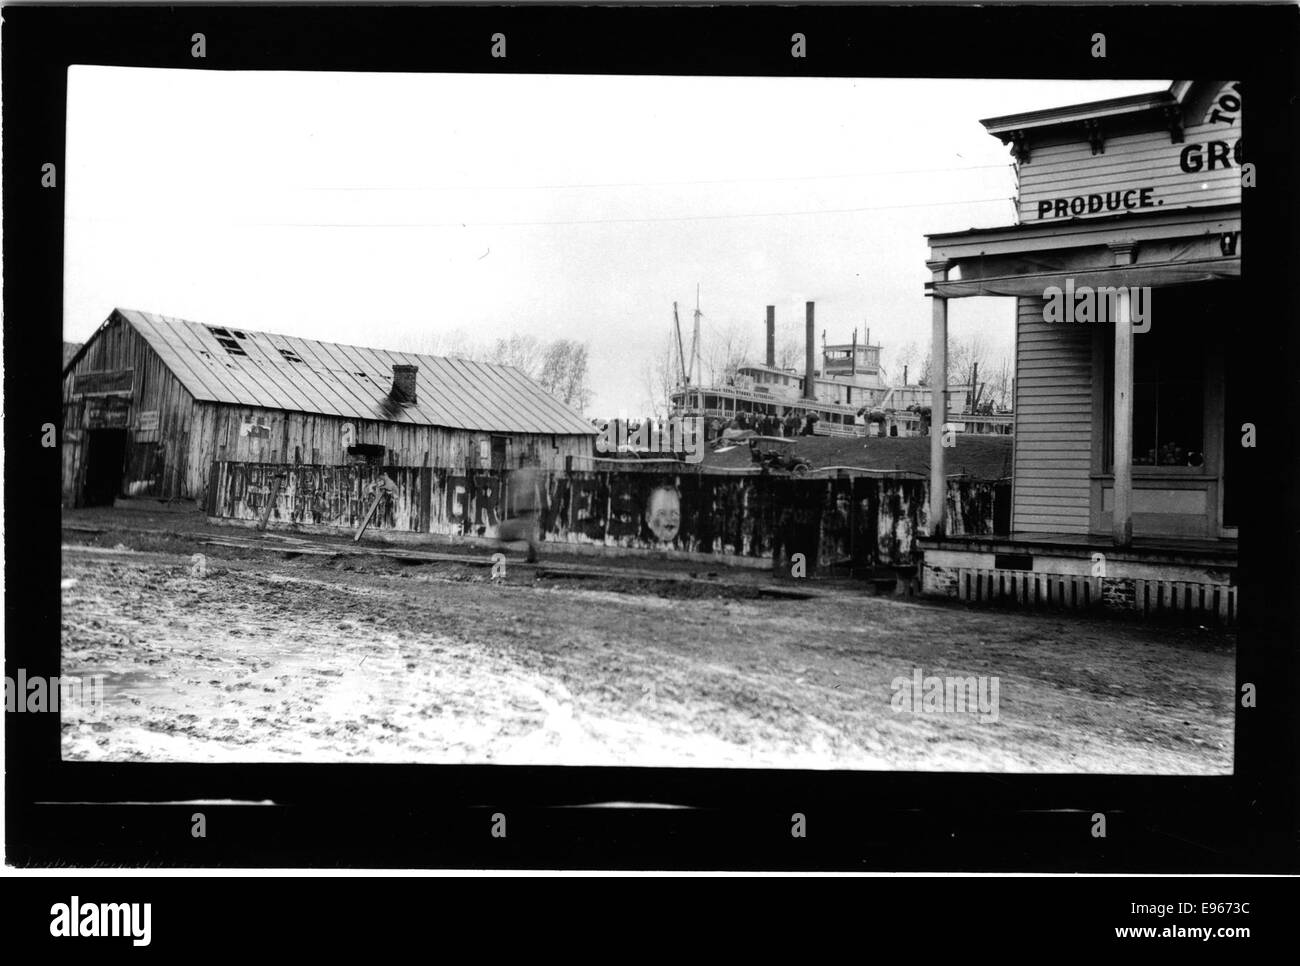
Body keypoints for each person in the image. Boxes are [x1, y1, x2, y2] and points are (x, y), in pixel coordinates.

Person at [498, 464, 542, 563]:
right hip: (527, 508)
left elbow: (518, 493)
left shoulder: (519, 476)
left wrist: (515, 507)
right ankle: (532, 556)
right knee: (529, 533)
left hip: (525, 508)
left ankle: (532, 555)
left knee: (528, 533)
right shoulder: (530, 477)